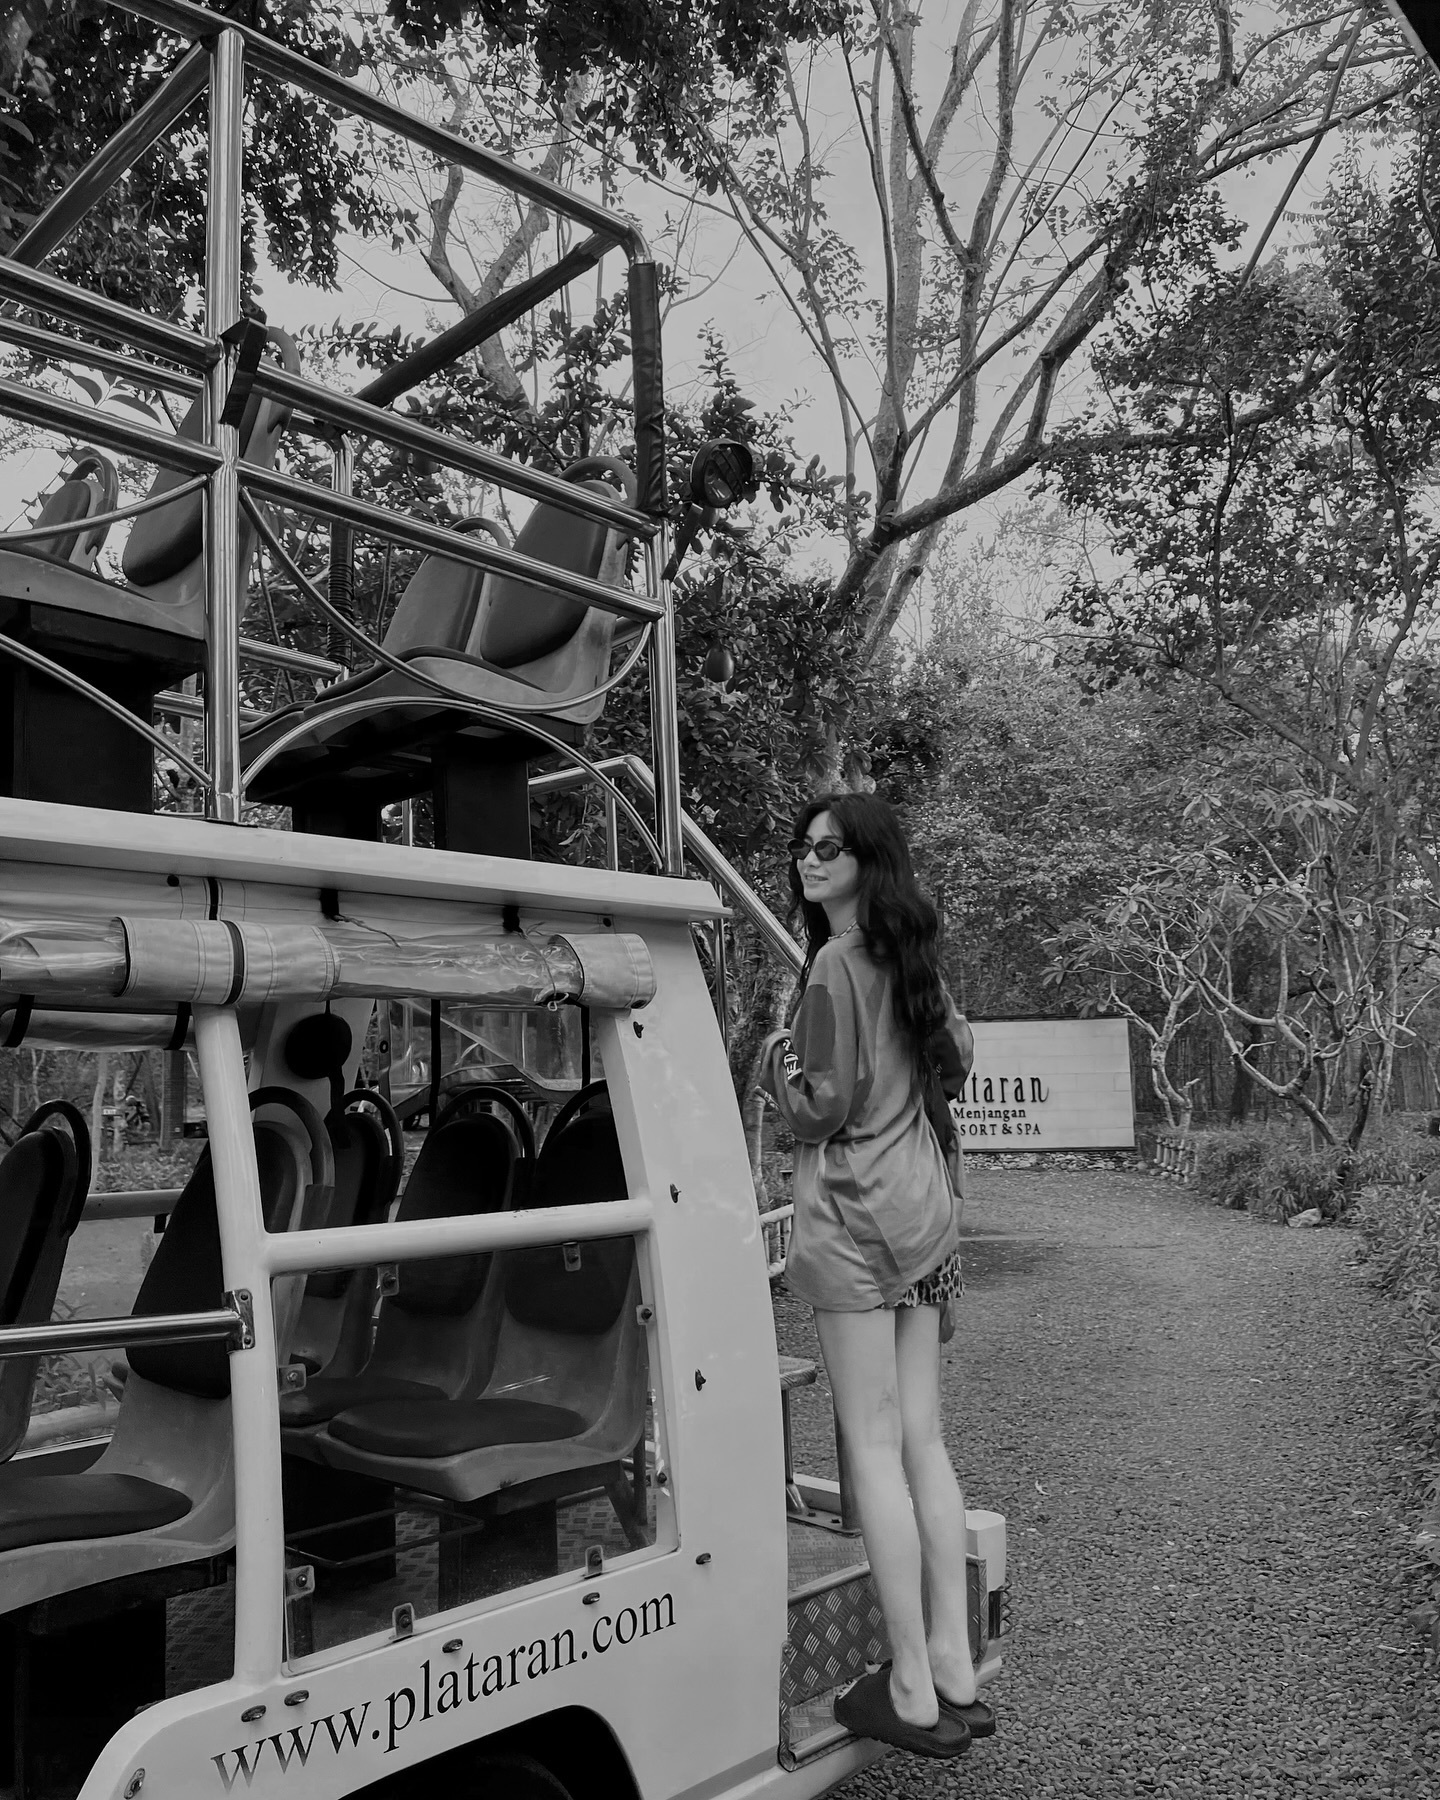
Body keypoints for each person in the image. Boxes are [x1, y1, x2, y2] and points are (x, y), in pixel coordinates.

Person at [760, 791, 991, 1760]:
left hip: (858, 1221)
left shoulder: (833, 964)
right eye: (804, 847)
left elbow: (822, 1106)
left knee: (872, 1445)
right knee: (923, 1442)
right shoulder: (912, 958)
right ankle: (952, 1664)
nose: (810, 860)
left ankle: (907, 1682)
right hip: (927, 1217)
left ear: (866, 861)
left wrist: (776, 1067)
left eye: (831, 848)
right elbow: (958, 1059)